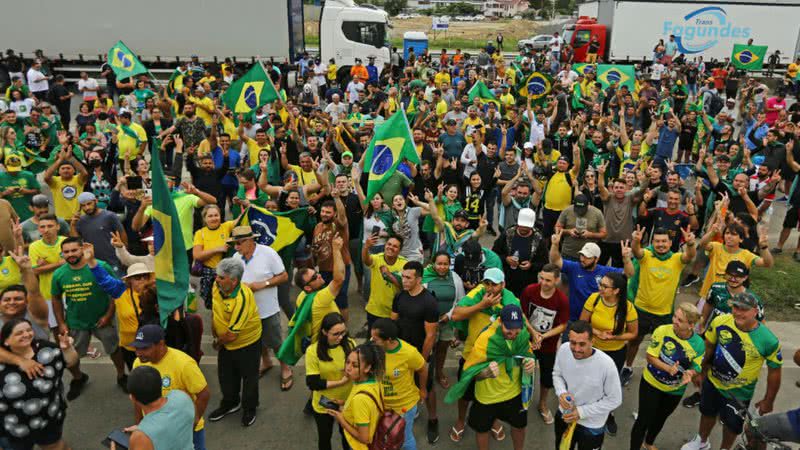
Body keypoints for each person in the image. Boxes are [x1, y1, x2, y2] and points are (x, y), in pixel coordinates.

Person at [681, 293, 783, 450]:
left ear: (755, 311)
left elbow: (775, 372)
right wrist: (701, 372)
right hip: (713, 382)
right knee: (707, 413)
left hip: (740, 393)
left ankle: (725, 448)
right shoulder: (720, 321)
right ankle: (702, 441)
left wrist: (768, 401)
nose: (738, 312)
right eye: (735, 307)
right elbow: (709, 347)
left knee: (732, 425)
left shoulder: (768, 340)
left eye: (744, 309)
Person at [449, 267, 520, 442]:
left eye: (494, 284)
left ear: (503, 284)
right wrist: (482, 306)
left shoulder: (511, 301)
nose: (489, 288)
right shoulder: (478, 294)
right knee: (465, 393)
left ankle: (493, 421)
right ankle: (460, 420)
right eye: (486, 283)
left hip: (496, 359)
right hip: (471, 356)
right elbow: (456, 315)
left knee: (492, 394)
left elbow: (519, 325)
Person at [620, 225, 697, 386]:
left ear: (670, 243)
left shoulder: (677, 259)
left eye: (664, 241)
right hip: (641, 310)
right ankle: (627, 367)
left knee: (663, 347)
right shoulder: (646, 255)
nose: (660, 244)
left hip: (664, 314)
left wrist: (690, 244)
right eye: (657, 241)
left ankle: (659, 371)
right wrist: (636, 241)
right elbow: (637, 251)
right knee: (634, 341)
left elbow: (690, 256)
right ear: (652, 242)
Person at [52, 238, 125, 399]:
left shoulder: (100, 266)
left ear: (82, 249)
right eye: (66, 252)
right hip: (76, 322)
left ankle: (122, 376)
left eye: (74, 250)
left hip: (103, 319)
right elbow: (56, 298)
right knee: (73, 356)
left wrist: (108, 315)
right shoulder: (59, 274)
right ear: (62, 254)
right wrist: (61, 323)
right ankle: (78, 378)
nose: (70, 254)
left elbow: (114, 291)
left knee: (114, 349)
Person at [459, 304, 536, 450]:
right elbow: (469, 372)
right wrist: (484, 373)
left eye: (517, 329)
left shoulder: (523, 335)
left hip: (514, 393)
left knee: (519, 427)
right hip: (487, 398)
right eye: (509, 328)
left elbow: (528, 354)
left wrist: (530, 361)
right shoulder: (485, 340)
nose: (513, 333)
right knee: (482, 430)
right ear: (500, 321)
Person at [630, 303, 704, 450]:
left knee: (660, 418)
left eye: (680, 320)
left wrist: (690, 373)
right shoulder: (662, 331)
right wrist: (668, 368)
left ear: (691, 325)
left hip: (674, 390)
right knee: (643, 420)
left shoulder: (699, 344)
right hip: (651, 383)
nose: (674, 321)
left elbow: (697, 366)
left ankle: (648, 442)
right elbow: (651, 356)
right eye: (675, 316)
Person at [0, 318, 78, 450]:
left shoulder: (47, 350)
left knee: (55, 446)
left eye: (29, 330)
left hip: (49, 418)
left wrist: (67, 349)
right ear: (6, 341)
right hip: (13, 425)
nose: (26, 334)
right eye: (19, 333)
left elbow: (71, 362)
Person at [229, 225, 293, 387]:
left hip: (268, 309)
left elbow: (284, 276)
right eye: (234, 244)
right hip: (248, 311)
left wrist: (262, 284)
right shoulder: (236, 258)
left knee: (276, 340)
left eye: (239, 243)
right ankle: (266, 362)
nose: (236, 247)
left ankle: (286, 368)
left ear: (250, 241)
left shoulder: (268, 253)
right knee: (257, 341)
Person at [130, 324, 211, 450]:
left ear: (161, 344)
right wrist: (140, 425)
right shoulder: (139, 364)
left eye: (145, 348)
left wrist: (192, 423)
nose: (139, 353)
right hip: (157, 430)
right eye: (137, 348)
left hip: (184, 429)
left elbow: (204, 394)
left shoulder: (184, 364)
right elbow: (138, 399)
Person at [208, 257, 262, 427]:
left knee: (249, 378)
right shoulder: (216, 286)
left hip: (247, 344)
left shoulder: (243, 298)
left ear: (234, 281)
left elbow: (232, 335)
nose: (217, 279)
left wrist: (217, 342)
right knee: (226, 376)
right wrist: (214, 328)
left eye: (221, 277)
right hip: (225, 342)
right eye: (217, 275)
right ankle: (230, 403)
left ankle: (249, 408)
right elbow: (215, 310)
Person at [553, 320, 622, 450]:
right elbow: (557, 374)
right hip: (565, 415)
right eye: (573, 343)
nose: (576, 349)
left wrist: (581, 412)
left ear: (592, 341)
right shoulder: (563, 349)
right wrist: (561, 392)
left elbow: (614, 399)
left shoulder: (607, 364)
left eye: (582, 344)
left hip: (592, 425)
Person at [391, 260, 440, 443]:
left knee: (427, 388)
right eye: (403, 277)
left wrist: (422, 360)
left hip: (421, 353)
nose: (404, 281)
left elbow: (430, 336)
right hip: (401, 353)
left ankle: (433, 419)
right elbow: (393, 322)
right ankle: (412, 410)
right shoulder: (400, 297)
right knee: (404, 383)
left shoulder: (429, 302)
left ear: (419, 279)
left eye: (408, 278)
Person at [519, 263, 569, 424]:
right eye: (542, 278)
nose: (543, 283)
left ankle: (542, 404)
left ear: (556, 281)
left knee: (546, 378)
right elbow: (522, 313)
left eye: (548, 280)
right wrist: (533, 334)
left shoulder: (561, 300)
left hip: (548, 346)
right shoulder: (529, 291)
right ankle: (521, 400)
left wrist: (543, 336)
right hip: (527, 341)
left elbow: (562, 325)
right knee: (523, 371)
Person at [549, 230, 634, 322]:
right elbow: (556, 261)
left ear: (596, 259)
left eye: (587, 257)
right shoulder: (574, 267)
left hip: (596, 321)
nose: (582, 259)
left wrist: (626, 259)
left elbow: (628, 274)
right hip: (573, 319)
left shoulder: (606, 271)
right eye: (582, 255)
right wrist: (555, 245)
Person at [370, 318, 427, 450]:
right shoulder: (374, 349)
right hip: (380, 404)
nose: (372, 341)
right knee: (382, 437)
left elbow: (423, 369)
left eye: (375, 338)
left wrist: (422, 390)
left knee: (404, 439)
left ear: (389, 340)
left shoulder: (409, 353)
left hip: (403, 406)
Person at [305, 313, 355, 450]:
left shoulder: (350, 344)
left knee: (347, 437)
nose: (341, 337)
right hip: (324, 404)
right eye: (336, 334)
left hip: (347, 402)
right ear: (324, 332)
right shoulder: (312, 351)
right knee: (325, 438)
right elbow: (313, 383)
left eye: (343, 332)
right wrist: (342, 381)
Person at [324, 343, 385, 450]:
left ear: (367, 368)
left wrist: (341, 419)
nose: (348, 368)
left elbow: (364, 438)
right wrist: (344, 403)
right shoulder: (374, 381)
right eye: (347, 362)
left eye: (355, 365)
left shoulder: (360, 399)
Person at [124, 366, 196, 450]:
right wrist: (144, 430)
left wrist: (144, 432)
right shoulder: (182, 397)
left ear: (132, 398)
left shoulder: (141, 437)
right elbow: (183, 422)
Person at [72, 192, 126, 273]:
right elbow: (75, 242)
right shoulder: (80, 221)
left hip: (113, 262)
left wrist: (124, 257)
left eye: (89, 204)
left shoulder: (110, 216)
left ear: (96, 201)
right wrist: (72, 225)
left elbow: (123, 236)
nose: (87, 207)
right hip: (92, 264)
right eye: (83, 205)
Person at [362, 235, 406, 329]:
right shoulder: (377, 258)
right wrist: (366, 246)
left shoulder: (404, 264)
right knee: (373, 341)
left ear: (400, 250)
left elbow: (405, 286)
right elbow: (366, 261)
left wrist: (389, 276)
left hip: (394, 312)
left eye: (395, 246)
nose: (390, 247)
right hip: (374, 310)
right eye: (389, 244)